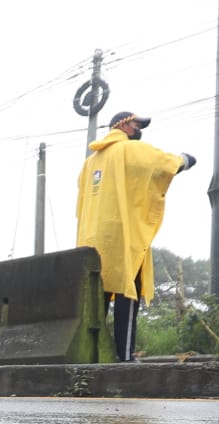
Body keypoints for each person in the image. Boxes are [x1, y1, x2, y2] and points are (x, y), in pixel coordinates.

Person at [76, 111, 196, 362]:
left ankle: (92, 355)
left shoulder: (90, 163)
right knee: (127, 293)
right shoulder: (130, 150)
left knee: (96, 303)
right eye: (137, 124)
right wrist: (184, 159)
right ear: (123, 126)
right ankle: (124, 356)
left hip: (92, 240)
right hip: (123, 238)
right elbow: (162, 164)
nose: (139, 129)